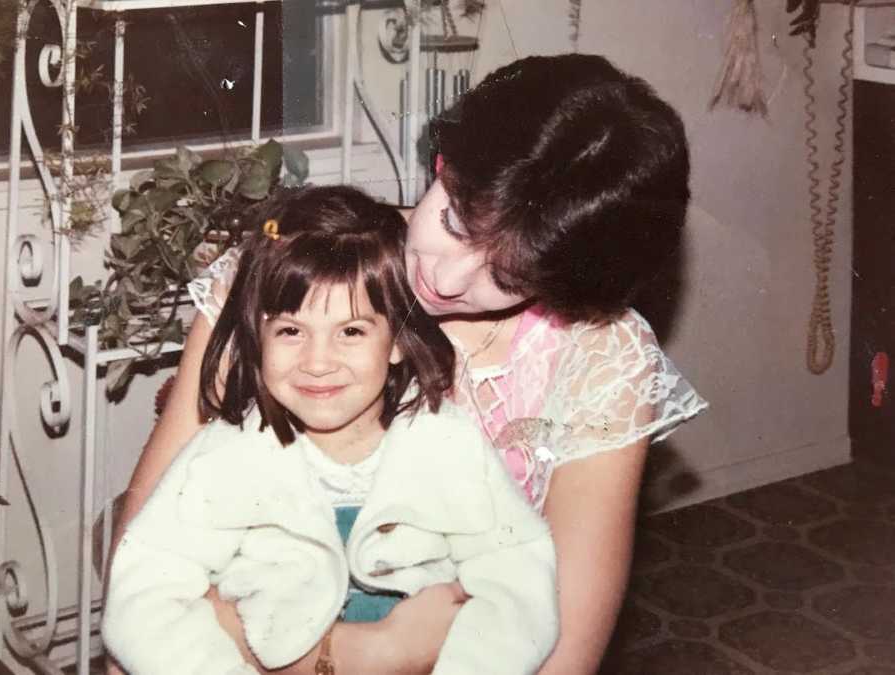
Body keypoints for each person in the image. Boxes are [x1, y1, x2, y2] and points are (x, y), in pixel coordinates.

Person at [111, 53, 708, 674]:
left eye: (508, 276)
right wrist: (370, 652)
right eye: (452, 220)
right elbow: (144, 584)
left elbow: (563, 656)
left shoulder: (596, 358)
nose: (445, 280)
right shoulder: (292, 271)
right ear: (443, 163)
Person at [102, 185, 559, 675]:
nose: (318, 363)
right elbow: (141, 596)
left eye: (352, 332)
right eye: (291, 332)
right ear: (258, 340)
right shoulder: (224, 457)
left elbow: (520, 583)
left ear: (397, 342)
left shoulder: (448, 445)